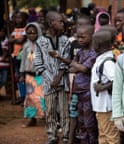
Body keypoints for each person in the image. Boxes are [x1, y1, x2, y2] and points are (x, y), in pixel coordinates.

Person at [34, 11, 70, 144]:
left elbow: (67, 60)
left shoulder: (65, 40)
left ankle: (66, 135)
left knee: (64, 110)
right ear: (51, 23)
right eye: (59, 21)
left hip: (62, 82)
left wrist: (58, 78)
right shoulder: (40, 42)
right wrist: (50, 79)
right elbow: (38, 63)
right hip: (48, 84)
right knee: (50, 110)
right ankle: (52, 135)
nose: (62, 24)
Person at [69, 25, 98, 144]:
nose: (79, 40)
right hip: (78, 92)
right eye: (78, 37)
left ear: (92, 36)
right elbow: (73, 68)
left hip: (88, 93)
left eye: (83, 37)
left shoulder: (94, 52)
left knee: (89, 123)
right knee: (81, 123)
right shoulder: (81, 51)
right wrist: (77, 66)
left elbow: (85, 69)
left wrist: (75, 64)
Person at [91, 30, 120, 144]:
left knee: (111, 137)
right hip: (101, 106)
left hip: (106, 106)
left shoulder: (107, 62)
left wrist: (102, 87)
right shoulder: (102, 59)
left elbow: (117, 81)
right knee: (103, 136)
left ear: (97, 44)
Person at [19, 22, 45, 127]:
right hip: (29, 75)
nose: (31, 35)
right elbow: (24, 60)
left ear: (38, 32)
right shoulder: (26, 46)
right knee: (30, 98)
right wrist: (22, 74)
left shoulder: (43, 44)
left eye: (34, 33)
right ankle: (32, 119)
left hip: (40, 75)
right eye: (29, 33)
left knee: (42, 98)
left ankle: (46, 117)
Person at [8, 11, 27, 104]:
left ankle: (27, 96)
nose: (17, 20)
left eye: (20, 18)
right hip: (15, 55)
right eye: (16, 18)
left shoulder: (26, 28)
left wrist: (13, 40)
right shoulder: (14, 29)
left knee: (24, 76)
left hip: (23, 55)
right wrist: (15, 40)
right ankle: (22, 95)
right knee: (18, 76)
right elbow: (9, 39)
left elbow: (21, 40)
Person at [0, 25, 9, 93]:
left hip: (5, 64)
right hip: (2, 62)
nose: (1, 33)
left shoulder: (7, 40)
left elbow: (6, 52)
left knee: (4, 80)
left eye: (2, 31)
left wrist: (3, 58)